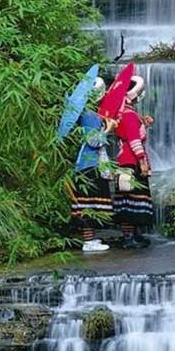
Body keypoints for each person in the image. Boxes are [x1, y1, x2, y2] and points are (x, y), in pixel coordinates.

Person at [71, 77, 115, 253]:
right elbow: (92, 141)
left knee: (90, 202)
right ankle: (88, 241)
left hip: (87, 163)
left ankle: (91, 238)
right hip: (89, 164)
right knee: (89, 203)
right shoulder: (89, 115)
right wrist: (108, 129)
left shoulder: (86, 113)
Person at [114, 75, 155, 249]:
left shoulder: (124, 114)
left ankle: (133, 234)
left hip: (126, 160)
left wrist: (143, 124)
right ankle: (129, 237)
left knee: (131, 197)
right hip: (131, 161)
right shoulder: (129, 115)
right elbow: (134, 140)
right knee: (130, 198)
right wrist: (142, 161)